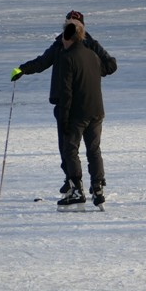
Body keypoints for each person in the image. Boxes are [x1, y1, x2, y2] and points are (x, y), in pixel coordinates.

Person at [12, 10, 117, 195]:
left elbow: (110, 65)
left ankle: (89, 183)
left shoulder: (90, 45)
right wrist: (23, 69)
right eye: (69, 22)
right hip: (69, 102)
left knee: (79, 146)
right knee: (67, 146)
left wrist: (89, 71)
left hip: (79, 103)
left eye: (75, 23)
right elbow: (42, 61)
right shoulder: (60, 44)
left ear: (82, 27)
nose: (71, 26)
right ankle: (71, 179)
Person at [54, 19, 109, 210]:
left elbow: (66, 91)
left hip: (78, 113)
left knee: (70, 150)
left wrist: (64, 117)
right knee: (94, 150)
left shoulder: (67, 58)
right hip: (96, 111)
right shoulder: (93, 55)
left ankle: (77, 190)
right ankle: (98, 187)